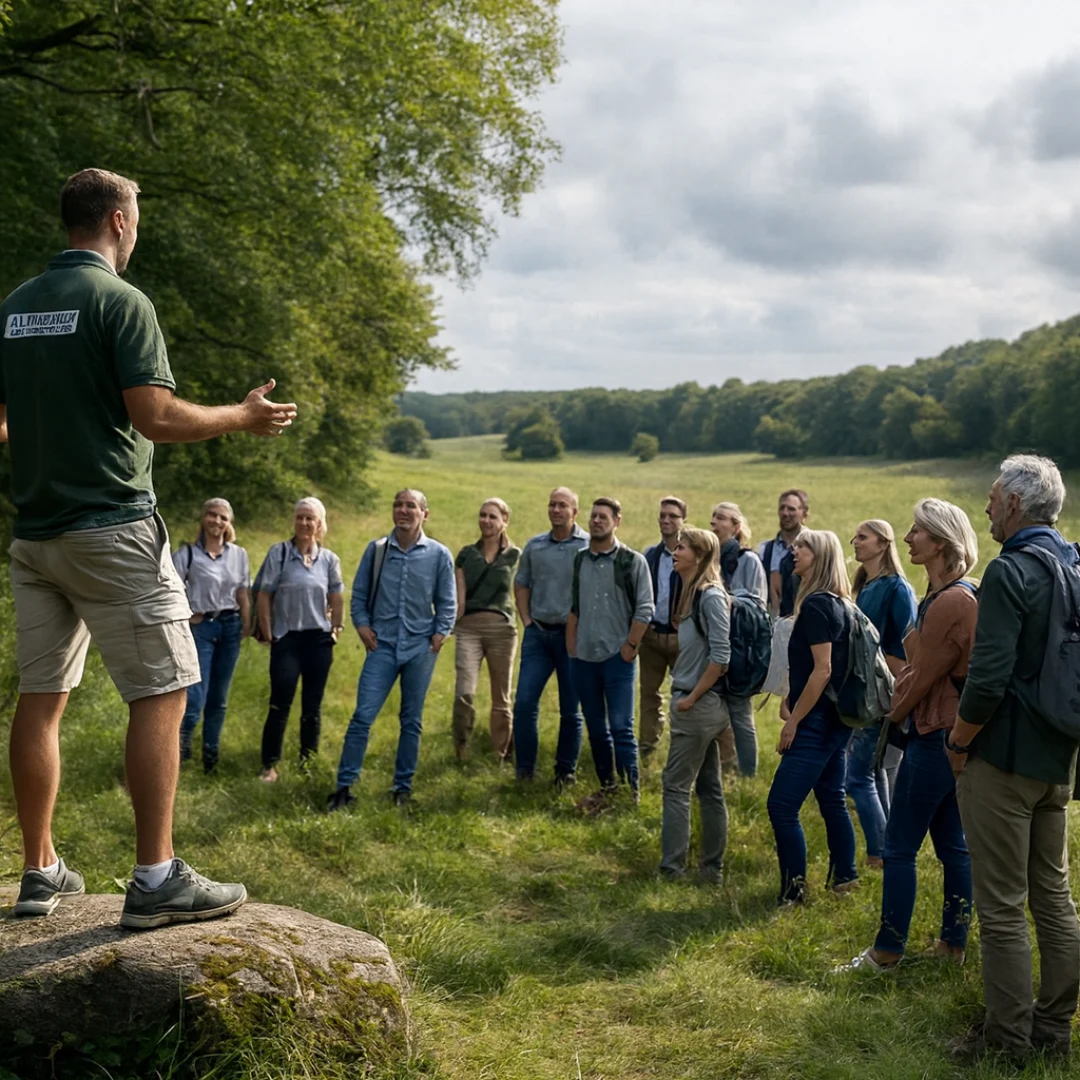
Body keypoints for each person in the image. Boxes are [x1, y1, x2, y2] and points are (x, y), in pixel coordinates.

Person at [3, 168, 295, 927]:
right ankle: (157, 878)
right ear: (119, 222)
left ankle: (38, 873)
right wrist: (241, 415)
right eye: (137, 218)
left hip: (35, 537)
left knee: (40, 702)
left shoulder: (15, 310)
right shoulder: (120, 302)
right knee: (162, 691)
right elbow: (156, 416)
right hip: (111, 529)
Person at [948, 455, 1080, 1064]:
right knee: (1053, 896)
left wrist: (958, 740)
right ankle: (1055, 1032)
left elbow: (988, 676)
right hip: (1060, 758)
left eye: (994, 496)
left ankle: (1009, 1042)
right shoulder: (1075, 561)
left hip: (1003, 756)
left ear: (1016, 504)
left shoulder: (1009, 571)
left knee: (1001, 906)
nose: (987, 506)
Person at [840, 500, 977, 972]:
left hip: (933, 732)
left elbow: (921, 678)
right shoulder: (946, 594)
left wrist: (887, 710)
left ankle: (887, 951)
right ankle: (952, 946)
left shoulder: (953, 600)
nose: (908, 538)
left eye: (917, 531)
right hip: (946, 733)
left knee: (898, 846)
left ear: (939, 541)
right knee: (952, 844)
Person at [328, 489, 456, 809]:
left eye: (410, 505)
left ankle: (402, 788)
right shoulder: (378, 550)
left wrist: (440, 634)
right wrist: (361, 626)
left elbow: (447, 602)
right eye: (398, 504)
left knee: (411, 719)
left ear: (424, 514)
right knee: (362, 716)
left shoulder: (439, 554)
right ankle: (344, 787)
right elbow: (358, 596)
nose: (403, 510)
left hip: (419, 647)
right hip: (382, 645)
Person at [766, 530, 858, 904]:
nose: (794, 550)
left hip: (817, 721)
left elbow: (823, 670)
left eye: (802, 547)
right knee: (832, 797)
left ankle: (793, 894)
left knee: (782, 805)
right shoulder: (839, 603)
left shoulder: (818, 605)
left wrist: (794, 720)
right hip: (836, 720)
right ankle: (845, 878)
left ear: (819, 557)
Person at [567, 497, 654, 811]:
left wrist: (630, 647)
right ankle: (608, 788)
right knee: (596, 728)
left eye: (603, 517)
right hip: (584, 659)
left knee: (621, 727)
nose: (596, 521)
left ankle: (631, 796)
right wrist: (572, 649)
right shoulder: (579, 560)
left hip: (618, 658)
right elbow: (574, 607)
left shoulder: (632, 561)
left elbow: (645, 608)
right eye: (593, 516)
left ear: (617, 521)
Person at [660, 527, 731, 881]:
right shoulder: (694, 593)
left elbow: (720, 657)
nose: (675, 550)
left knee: (675, 785)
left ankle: (672, 869)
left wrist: (690, 698)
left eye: (682, 547)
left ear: (700, 555)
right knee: (708, 788)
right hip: (700, 705)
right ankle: (709, 870)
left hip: (698, 707)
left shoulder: (710, 596)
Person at [256, 497, 344, 782]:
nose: (305, 523)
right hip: (287, 640)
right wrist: (269, 633)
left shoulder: (329, 559)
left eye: (311, 519)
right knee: (280, 703)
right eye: (300, 517)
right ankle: (269, 765)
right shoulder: (279, 553)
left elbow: (337, 596)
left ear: (320, 525)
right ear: (294, 521)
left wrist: (336, 628)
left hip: (319, 642)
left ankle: (307, 763)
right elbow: (264, 594)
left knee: (312, 707)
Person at [845, 520, 917, 866]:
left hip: (882, 692)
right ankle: (890, 847)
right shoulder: (867, 585)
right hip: (863, 693)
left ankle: (880, 853)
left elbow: (906, 650)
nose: (854, 542)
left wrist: (900, 698)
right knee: (871, 773)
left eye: (862, 537)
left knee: (857, 777)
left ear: (882, 543)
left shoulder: (896, 588)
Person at [512, 487, 590, 786]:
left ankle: (565, 771)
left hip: (573, 640)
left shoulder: (586, 546)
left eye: (562, 506)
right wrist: (527, 620)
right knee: (524, 704)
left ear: (574, 512)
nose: (556, 510)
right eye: (552, 505)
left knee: (572, 709)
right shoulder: (535, 546)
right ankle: (525, 770)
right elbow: (521, 584)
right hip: (538, 636)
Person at [174, 497, 252, 775]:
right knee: (195, 695)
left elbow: (243, 591)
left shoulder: (239, 555)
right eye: (212, 515)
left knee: (219, 696)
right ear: (203, 518)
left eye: (223, 517)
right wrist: (186, 614)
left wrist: (247, 622)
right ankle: (181, 750)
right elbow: (169, 589)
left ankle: (211, 755)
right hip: (200, 628)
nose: (216, 521)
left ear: (229, 524)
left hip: (230, 626)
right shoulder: (187, 554)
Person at [452, 498, 521, 762]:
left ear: (505, 521)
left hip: (502, 630)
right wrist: (447, 627)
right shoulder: (466, 555)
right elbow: (460, 598)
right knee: (464, 691)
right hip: (468, 628)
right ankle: (460, 749)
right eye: (482, 515)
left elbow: (523, 591)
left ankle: (500, 753)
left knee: (501, 696)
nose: (486, 521)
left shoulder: (516, 555)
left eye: (492, 516)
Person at [710, 501, 768, 777]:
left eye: (721, 518)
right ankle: (720, 768)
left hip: (742, 648)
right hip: (713, 644)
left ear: (735, 526)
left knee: (740, 714)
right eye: (713, 518)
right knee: (712, 711)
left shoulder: (749, 560)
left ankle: (748, 775)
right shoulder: (709, 559)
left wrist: (727, 601)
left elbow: (759, 607)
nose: (714, 522)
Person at [639, 497, 687, 759]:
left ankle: (683, 748)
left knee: (685, 695)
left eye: (672, 516)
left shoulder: (693, 555)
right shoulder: (649, 555)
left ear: (683, 521)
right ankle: (647, 747)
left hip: (682, 639)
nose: (666, 520)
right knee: (649, 694)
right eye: (662, 516)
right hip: (652, 634)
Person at [758, 489, 810, 617]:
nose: (785, 513)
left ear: (804, 514)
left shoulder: (815, 548)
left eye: (792, 509)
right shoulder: (764, 549)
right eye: (782, 508)